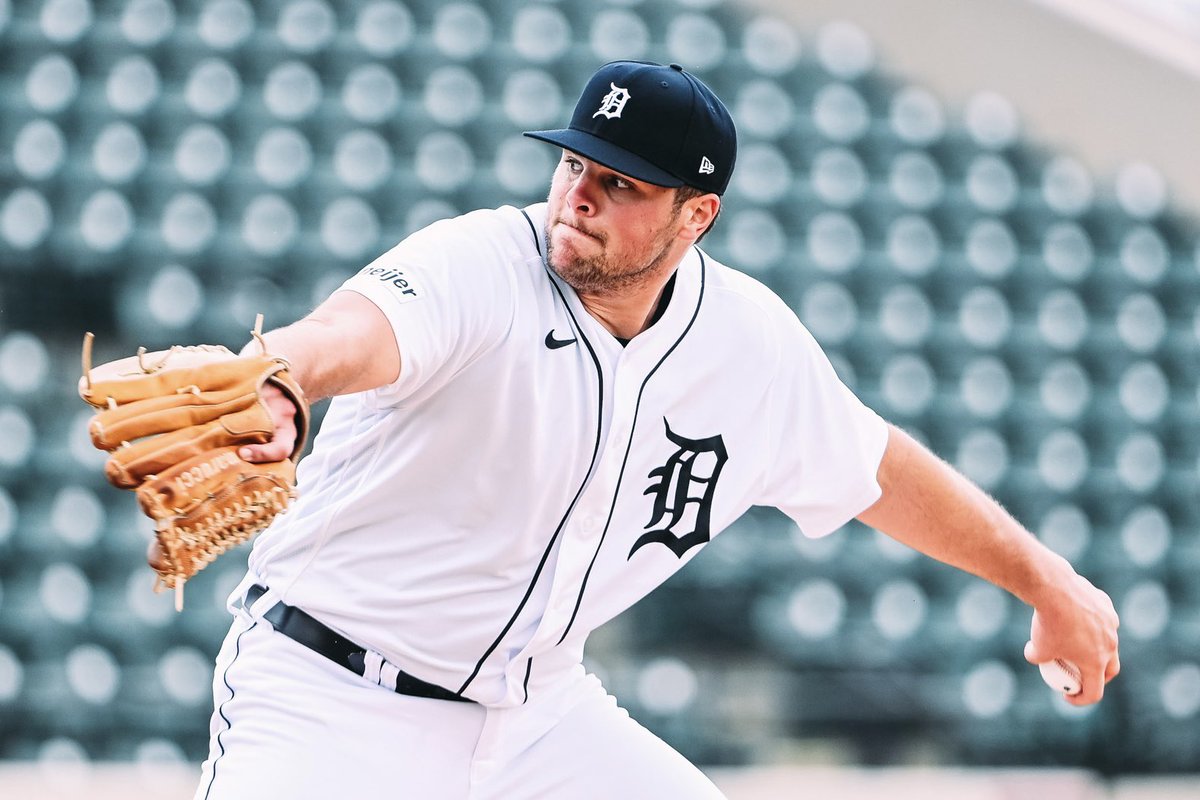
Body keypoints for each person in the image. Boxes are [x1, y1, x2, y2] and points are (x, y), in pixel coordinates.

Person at [192, 61, 1119, 799]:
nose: (578, 195)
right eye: (572, 164)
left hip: (537, 717)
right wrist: (281, 383)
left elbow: (878, 470)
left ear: (696, 215)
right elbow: (347, 335)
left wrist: (1045, 582)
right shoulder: (477, 263)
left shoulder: (747, 343)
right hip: (331, 696)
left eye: (619, 182)